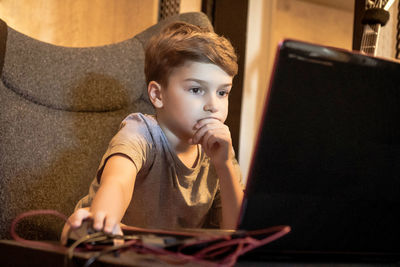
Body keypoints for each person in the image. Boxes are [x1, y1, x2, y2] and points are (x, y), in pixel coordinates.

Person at [61, 21, 243, 243]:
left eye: (223, 92)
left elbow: (237, 233)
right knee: (83, 230)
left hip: (168, 256)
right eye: (196, 89)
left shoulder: (220, 150)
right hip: (113, 243)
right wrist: (103, 221)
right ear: (157, 95)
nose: (213, 105)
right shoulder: (141, 132)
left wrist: (224, 166)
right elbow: (117, 182)